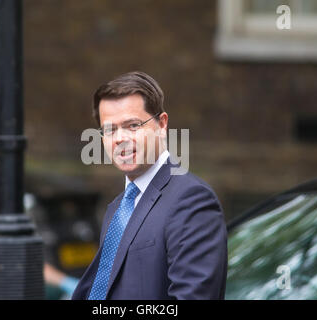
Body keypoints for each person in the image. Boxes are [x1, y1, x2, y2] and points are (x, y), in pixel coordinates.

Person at [72, 71, 227, 300]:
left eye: (133, 125)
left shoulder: (191, 199)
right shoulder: (117, 209)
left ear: (162, 124)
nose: (120, 138)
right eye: (109, 130)